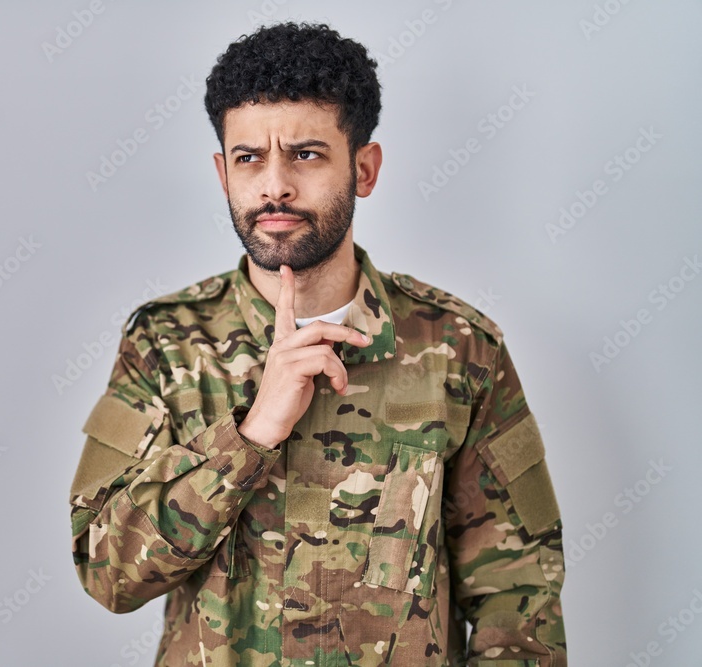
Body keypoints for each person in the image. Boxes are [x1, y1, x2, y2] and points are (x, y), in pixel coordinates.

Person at [68, 21, 566, 667]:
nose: (274, 185)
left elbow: (520, 593)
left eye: (305, 154)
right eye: (250, 158)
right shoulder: (165, 342)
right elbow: (108, 572)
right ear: (223, 173)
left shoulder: (459, 345)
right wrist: (249, 435)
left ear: (363, 167)